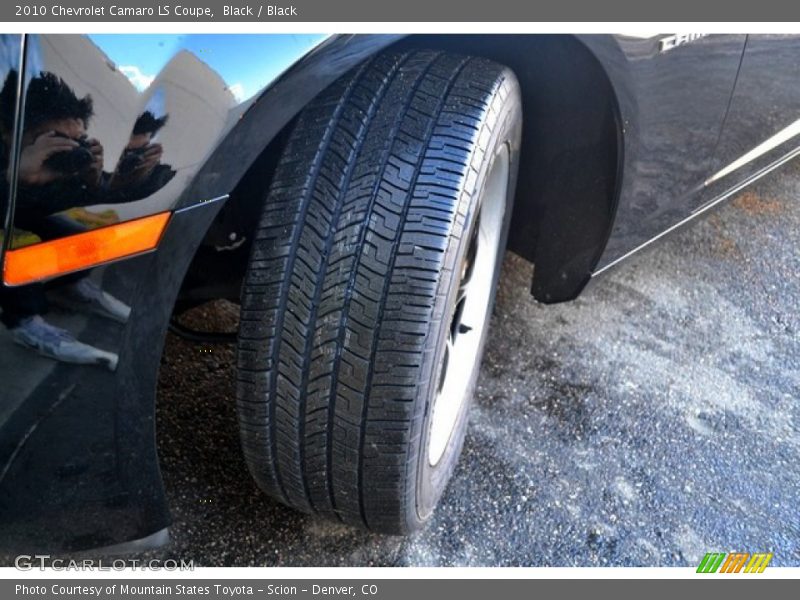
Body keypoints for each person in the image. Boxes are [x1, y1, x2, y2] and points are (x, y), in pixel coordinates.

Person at [0, 71, 126, 369]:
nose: (67, 150)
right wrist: (14, 176)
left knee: (81, 235)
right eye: (55, 140)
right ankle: (24, 322)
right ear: (8, 131)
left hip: (15, 206)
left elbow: (57, 206)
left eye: (77, 141)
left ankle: (66, 286)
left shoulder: (62, 158)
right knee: (18, 249)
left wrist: (92, 181)